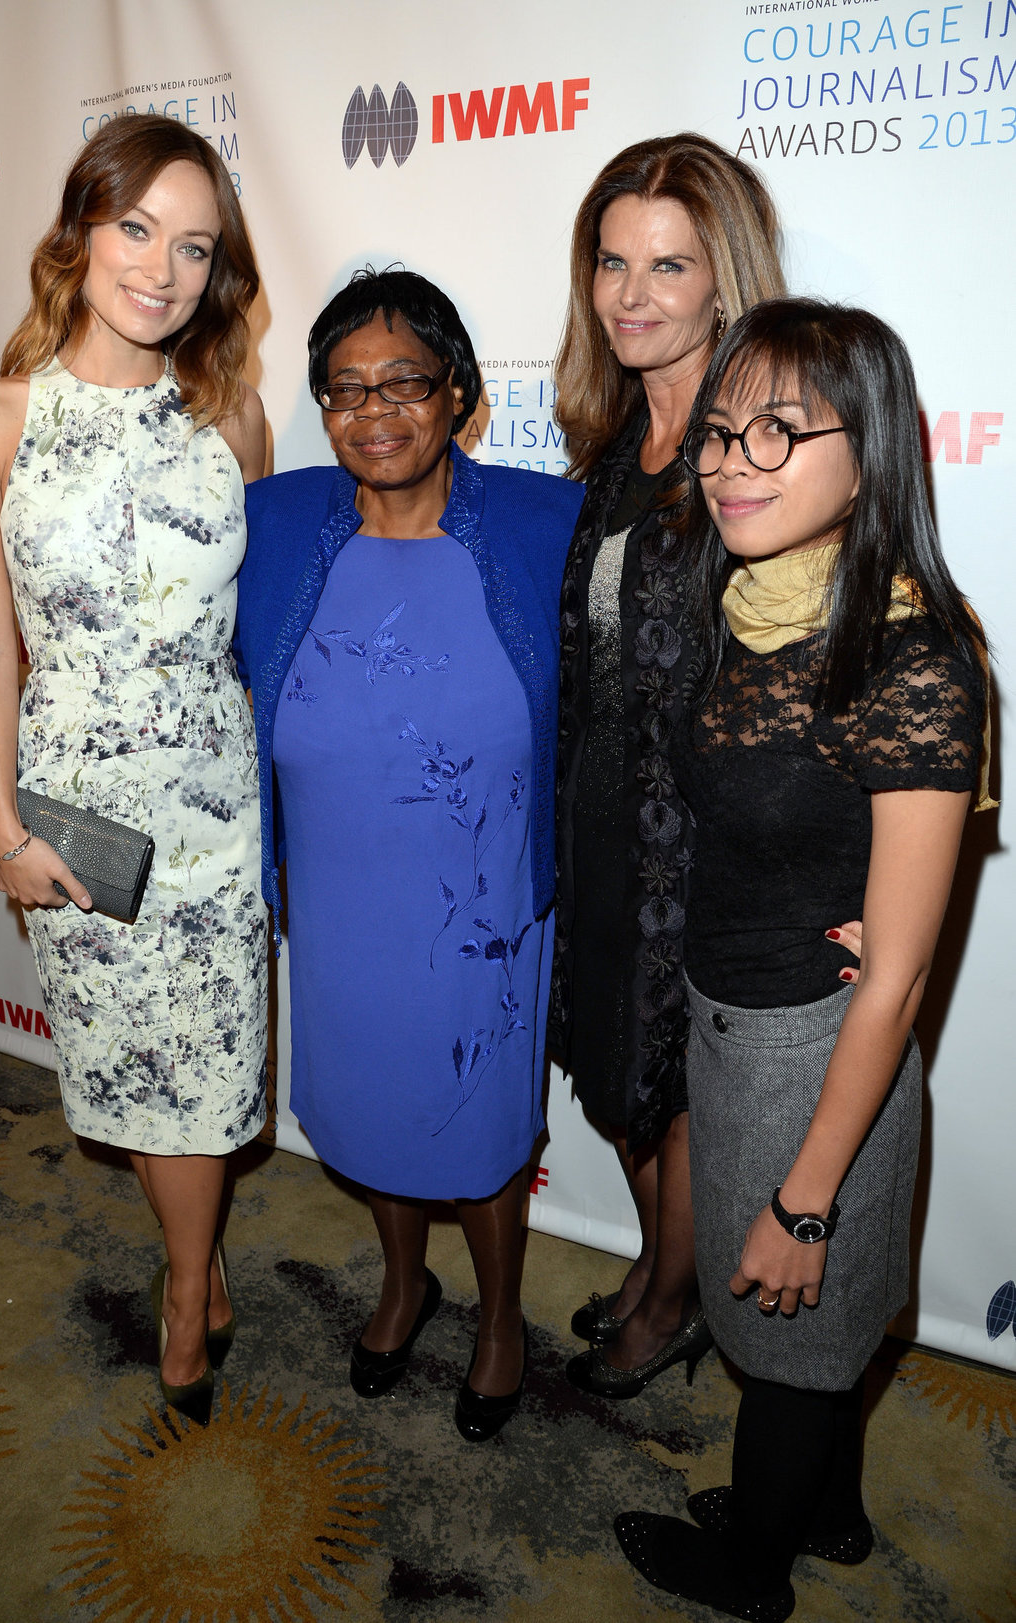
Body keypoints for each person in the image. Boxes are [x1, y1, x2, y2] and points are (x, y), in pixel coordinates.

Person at [613, 298, 991, 1621]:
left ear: (869, 451)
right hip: (736, 1019)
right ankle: (825, 1507)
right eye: (721, 432)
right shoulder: (747, 609)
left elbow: (893, 975)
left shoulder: (919, 659)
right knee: (795, 1330)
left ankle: (747, 1568)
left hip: (819, 1054)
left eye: (780, 432)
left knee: (784, 1318)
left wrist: (809, 1191)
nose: (730, 462)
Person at [0, 114, 268, 1427]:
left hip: (212, 796)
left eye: (194, 246)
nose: (163, 268)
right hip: (72, 805)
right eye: (138, 228)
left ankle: (188, 1291)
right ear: (80, 231)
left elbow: (262, 616)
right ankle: (203, 1257)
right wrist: (7, 831)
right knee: (132, 1071)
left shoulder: (230, 416)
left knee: (199, 1072)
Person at [236, 267, 583, 1440]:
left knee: (480, 1120)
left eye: (404, 383)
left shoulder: (545, 526)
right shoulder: (276, 521)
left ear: (461, 399)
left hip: (481, 895)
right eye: (343, 390)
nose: (373, 411)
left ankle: (496, 1316)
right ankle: (402, 1283)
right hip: (337, 890)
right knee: (375, 1096)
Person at [550, 133, 862, 1395]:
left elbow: (837, 644)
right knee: (623, 1076)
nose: (630, 293)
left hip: (707, 839)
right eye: (610, 262)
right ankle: (651, 1264)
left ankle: (671, 1300)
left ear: (721, 280)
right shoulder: (617, 443)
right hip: (606, 820)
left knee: (677, 1089)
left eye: (666, 265)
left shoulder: (755, 455)